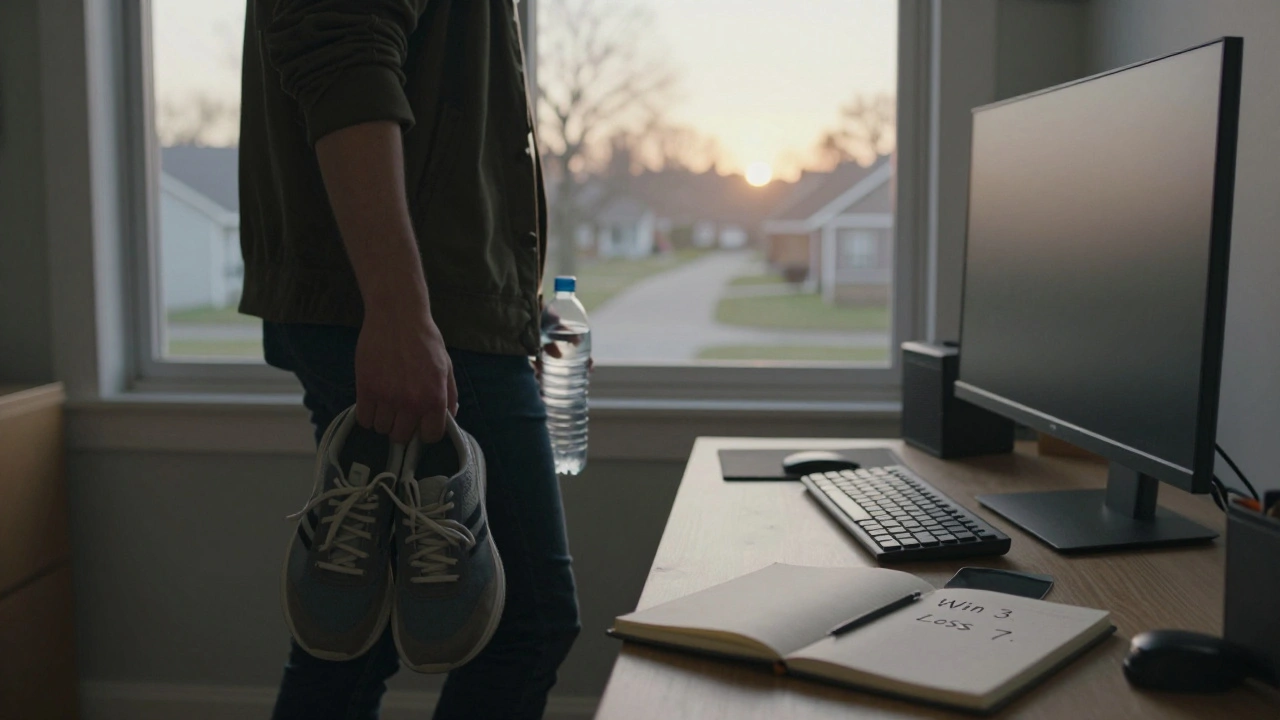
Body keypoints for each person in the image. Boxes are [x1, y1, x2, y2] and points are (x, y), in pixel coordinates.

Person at [235, 1, 581, 718]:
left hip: (432, 306)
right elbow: (343, 52)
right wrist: (400, 309)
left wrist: (502, 300)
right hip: (404, 311)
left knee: (356, 635)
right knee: (531, 620)